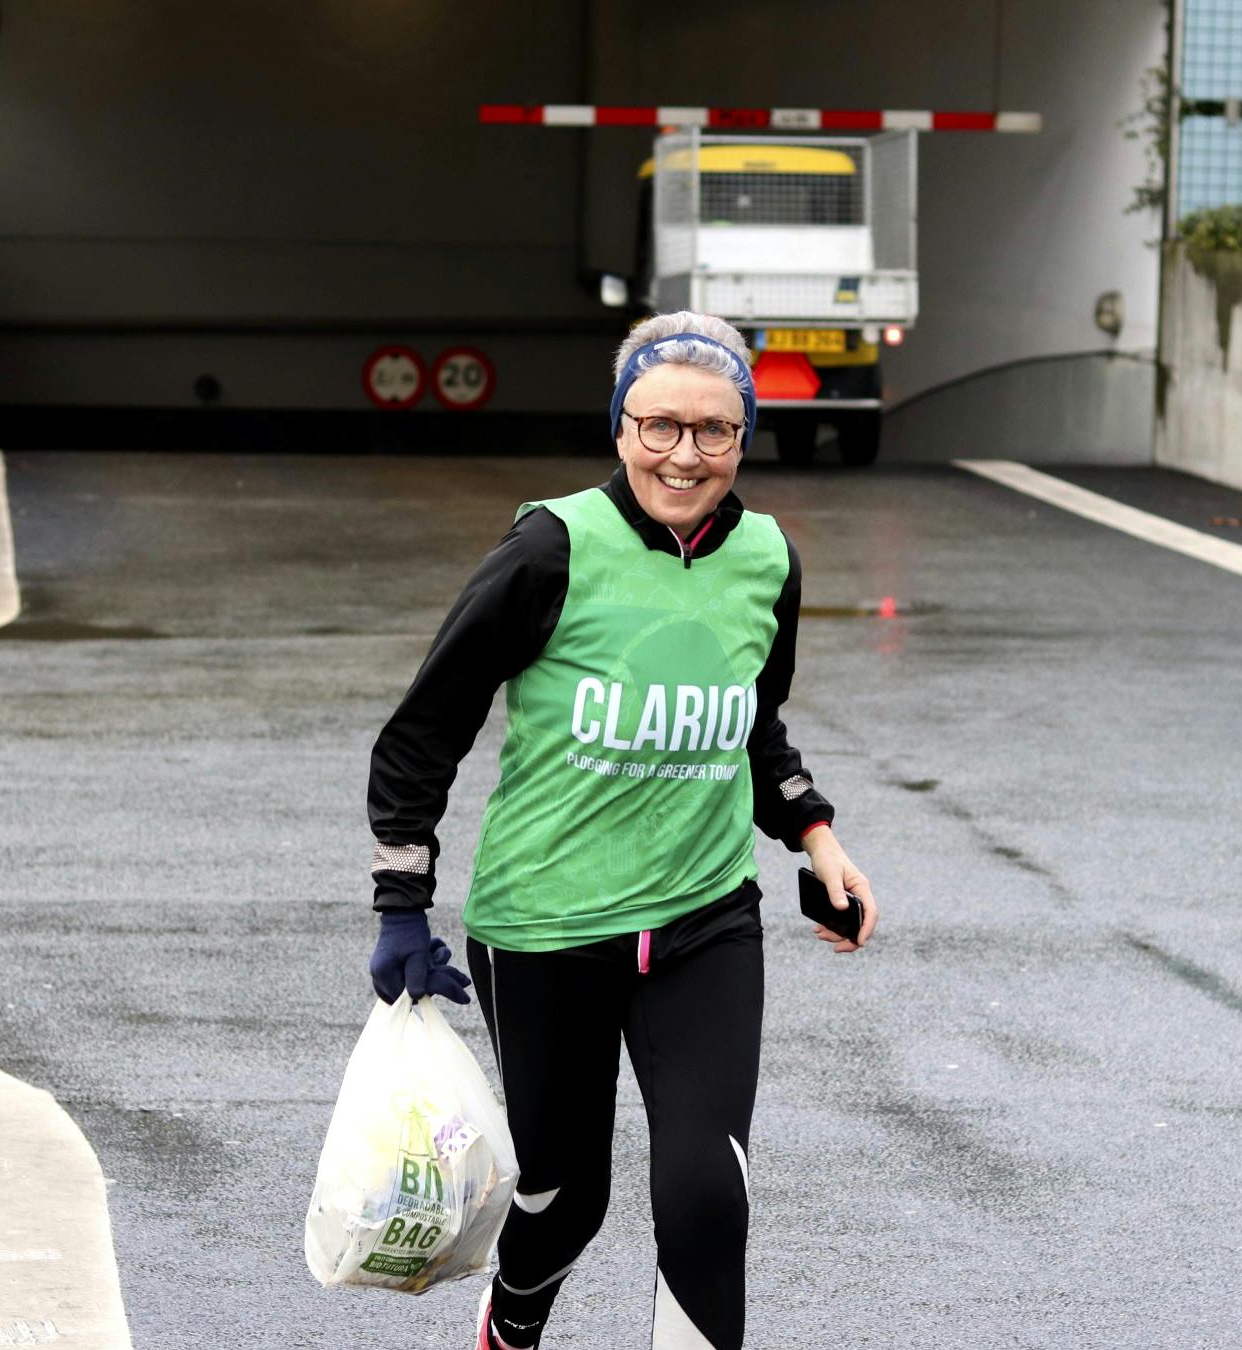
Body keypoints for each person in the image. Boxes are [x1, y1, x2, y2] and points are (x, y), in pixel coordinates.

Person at [366, 310, 878, 1350]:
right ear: (619, 426)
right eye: (659, 427)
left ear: (743, 436)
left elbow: (752, 724)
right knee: (565, 1199)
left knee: (706, 1197)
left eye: (714, 431)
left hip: (705, 920)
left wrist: (817, 837)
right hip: (546, 927)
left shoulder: (768, 560)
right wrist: (400, 906)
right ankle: (512, 1322)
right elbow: (425, 729)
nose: (685, 456)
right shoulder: (551, 547)